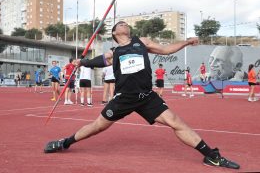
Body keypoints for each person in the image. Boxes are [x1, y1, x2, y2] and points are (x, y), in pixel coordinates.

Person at [44, 21, 240, 170]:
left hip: (147, 96)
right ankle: (65, 142)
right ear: (114, 33)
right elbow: (100, 61)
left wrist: (187, 42)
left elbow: (165, 50)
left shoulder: (142, 42)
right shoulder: (115, 51)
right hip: (123, 98)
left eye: (125, 24)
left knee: (176, 122)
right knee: (97, 127)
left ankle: (210, 155)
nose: (123, 24)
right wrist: (83, 62)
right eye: (119, 24)